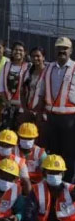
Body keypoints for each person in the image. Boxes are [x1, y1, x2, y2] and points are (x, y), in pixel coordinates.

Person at [34, 37, 75, 181]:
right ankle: (52, 180)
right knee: (53, 151)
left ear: (71, 50)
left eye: (65, 48)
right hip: (52, 118)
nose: (62, 51)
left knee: (69, 153)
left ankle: (66, 182)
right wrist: (39, 113)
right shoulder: (48, 68)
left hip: (70, 119)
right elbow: (41, 92)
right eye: (59, 48)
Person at [26, 154, 75, 221]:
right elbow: (28, 214)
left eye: (57, 173)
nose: (54, 175)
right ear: (44, 173)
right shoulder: (36, 190)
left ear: (63, 174)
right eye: (51, 172)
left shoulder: (71, 190)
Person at [0, 41, 29, 130]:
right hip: (8, 106)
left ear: (25, 53)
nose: (18, 52)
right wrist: (6, 103)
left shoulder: (29, 67)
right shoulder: (6, 66)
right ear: (12, 51)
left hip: (22, 108)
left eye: (20, 50)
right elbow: (1, 87)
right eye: (15, 50)